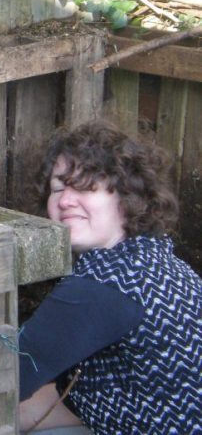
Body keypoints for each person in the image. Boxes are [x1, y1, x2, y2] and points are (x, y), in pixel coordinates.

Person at [17, 120, 202, 435]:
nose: (64, 200)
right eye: (58, 188)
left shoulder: (107, 285)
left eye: (86, 186)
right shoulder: (152, 259)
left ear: (127, 197)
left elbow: (5, 375)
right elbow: (73, 396)